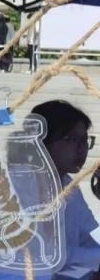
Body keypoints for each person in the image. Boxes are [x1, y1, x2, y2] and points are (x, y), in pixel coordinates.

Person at [32, 101, 100, 267]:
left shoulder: (68, 184)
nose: (82, 148)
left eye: (85, 140)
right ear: (43, 142)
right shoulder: (21, 185)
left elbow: (88, 237)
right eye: (72, 139)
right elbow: (45, 254)